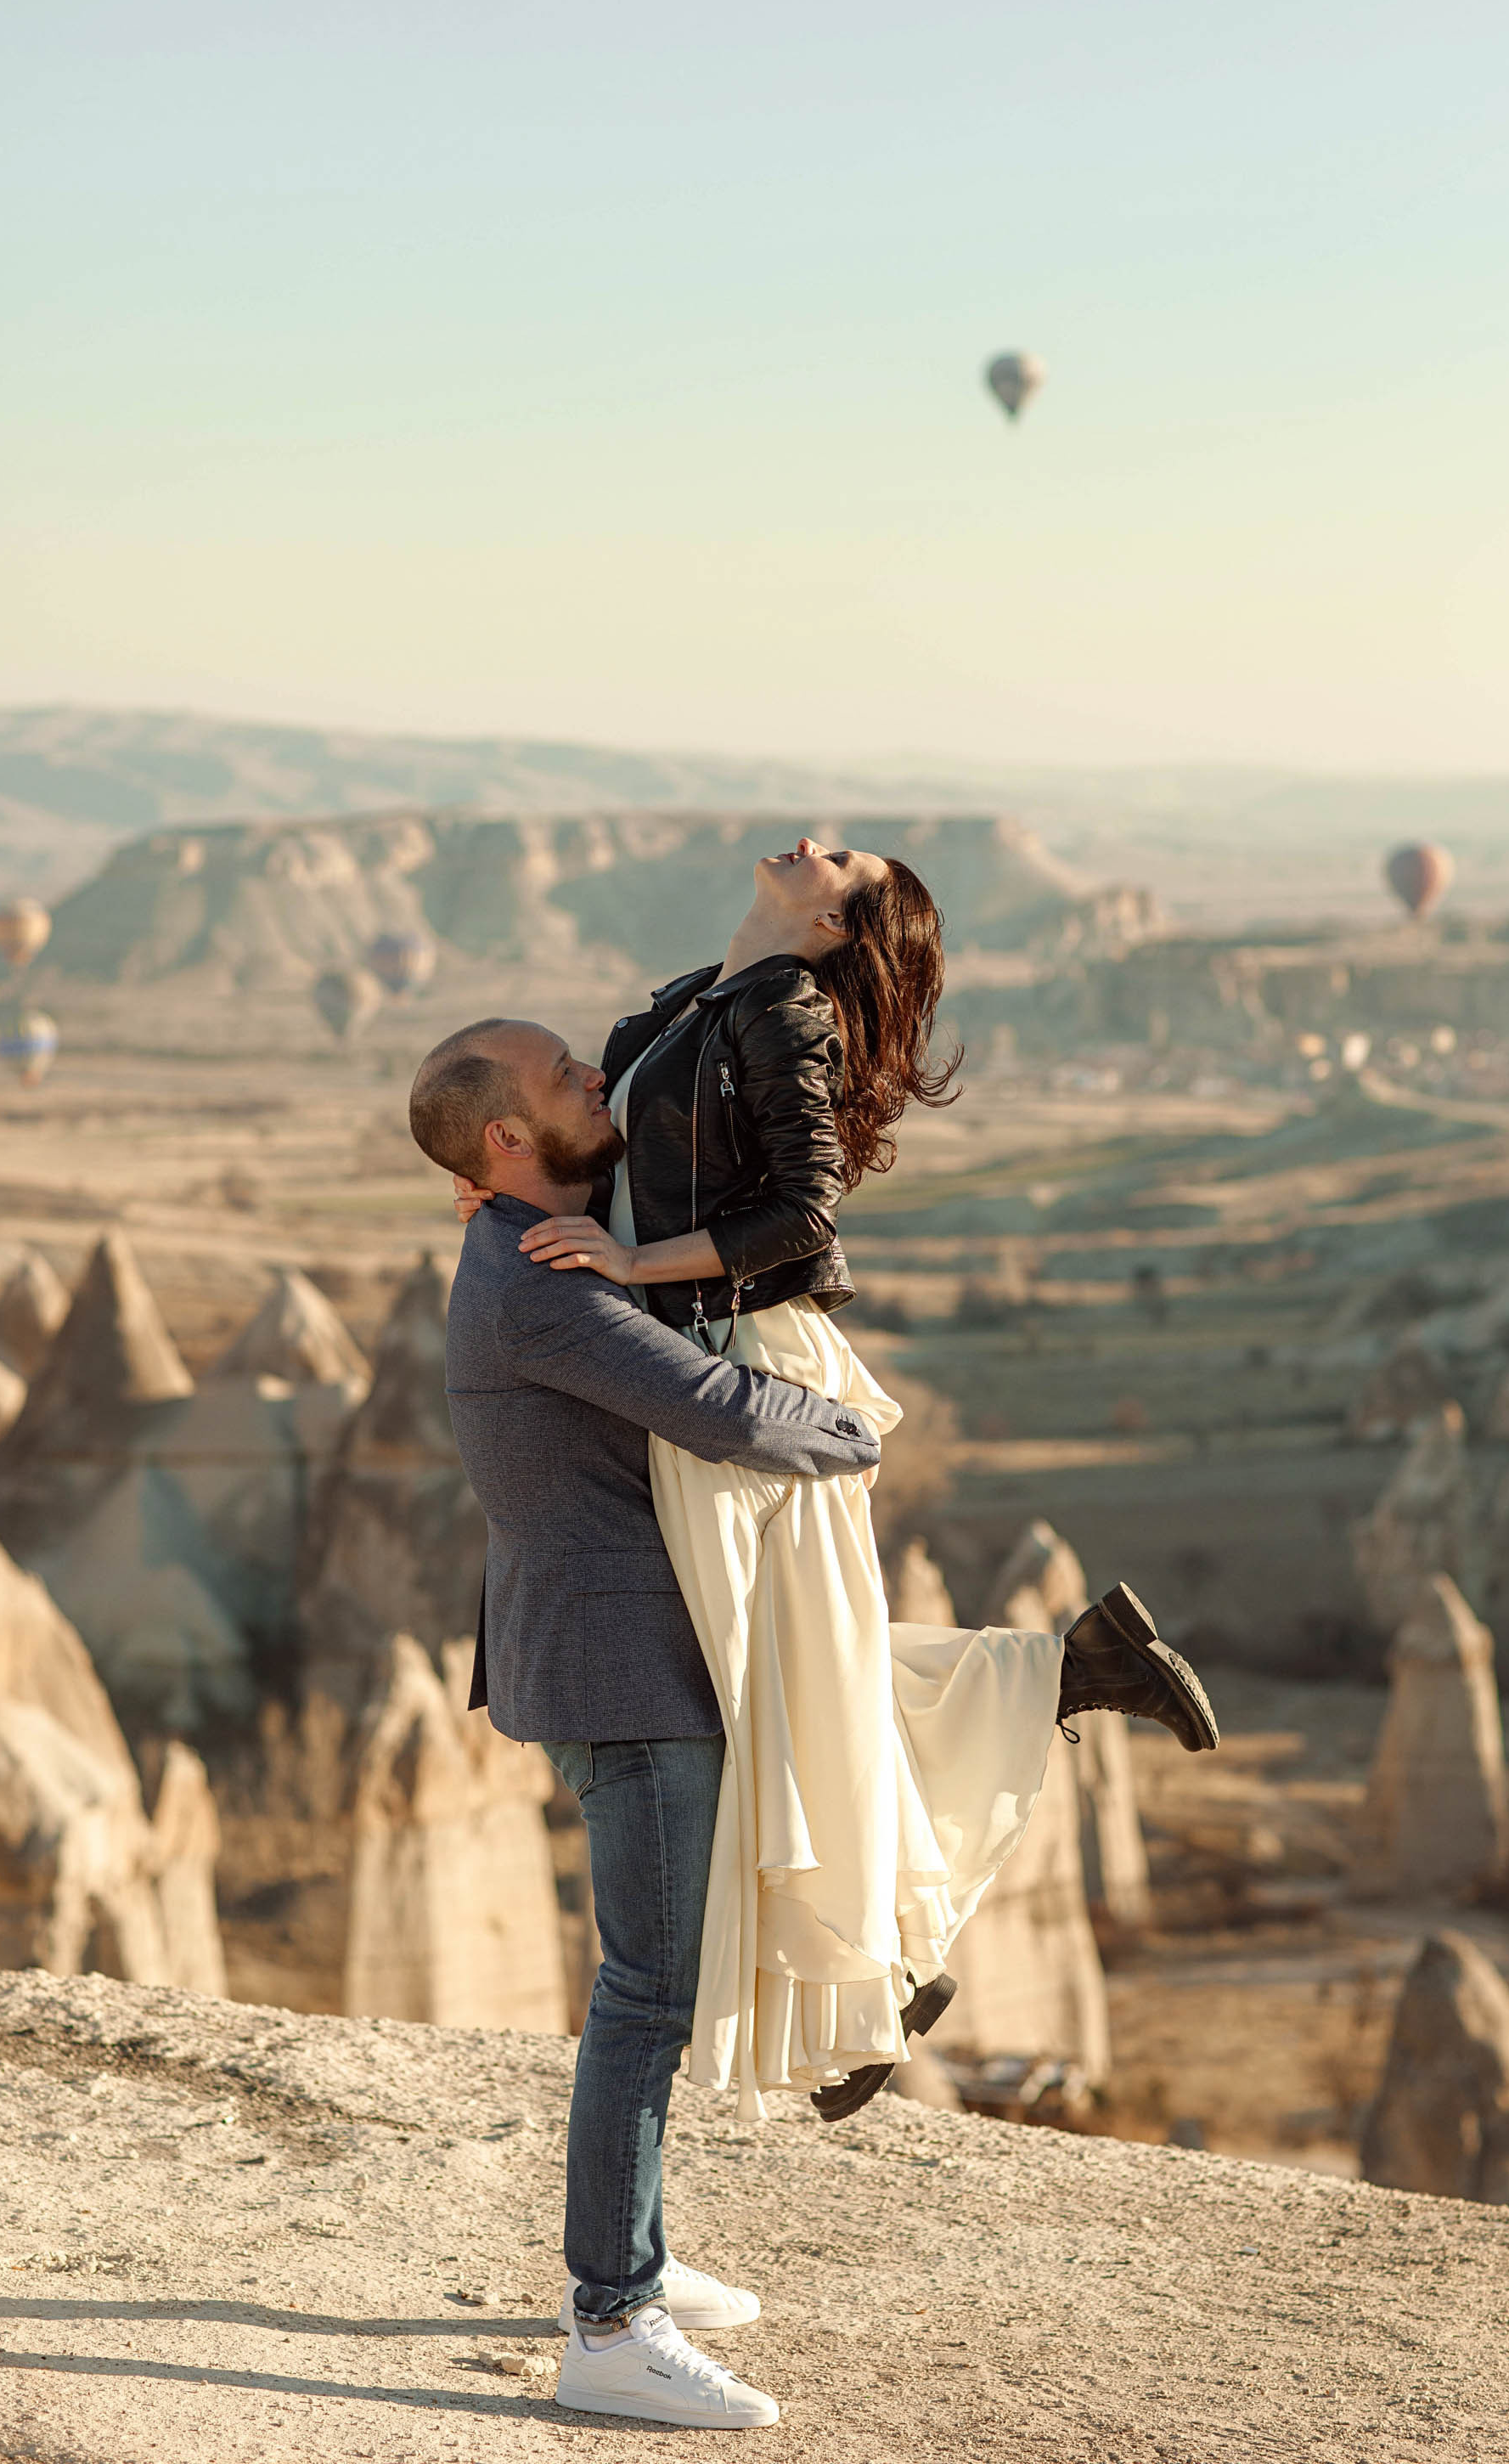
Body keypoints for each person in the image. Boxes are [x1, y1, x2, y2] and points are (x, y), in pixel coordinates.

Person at [451, 839, 1218, 2121]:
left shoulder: (781, 1008)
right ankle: (1050, 1704)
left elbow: (804, 1221)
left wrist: (634, 1275)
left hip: (736, 1351)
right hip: (693, 1340)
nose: (816, 841)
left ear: (836, 927)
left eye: (846, 862)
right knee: (790, 1660)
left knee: (779, 1671)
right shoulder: (705, 990)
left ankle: (869, 1969)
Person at [411, 1015, 881, 2429]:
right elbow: (723, 1410)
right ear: (506, 1139)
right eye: (564, 1080)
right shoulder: (537, 1284)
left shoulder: (537, 1245)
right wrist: (862, 1428)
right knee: (647, 1994)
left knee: (656, 1983)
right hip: (626, 1675)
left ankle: (640, 2266)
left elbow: (670, 1024)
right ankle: (610, 2322)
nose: (595, 1085)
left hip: (627, 1661)